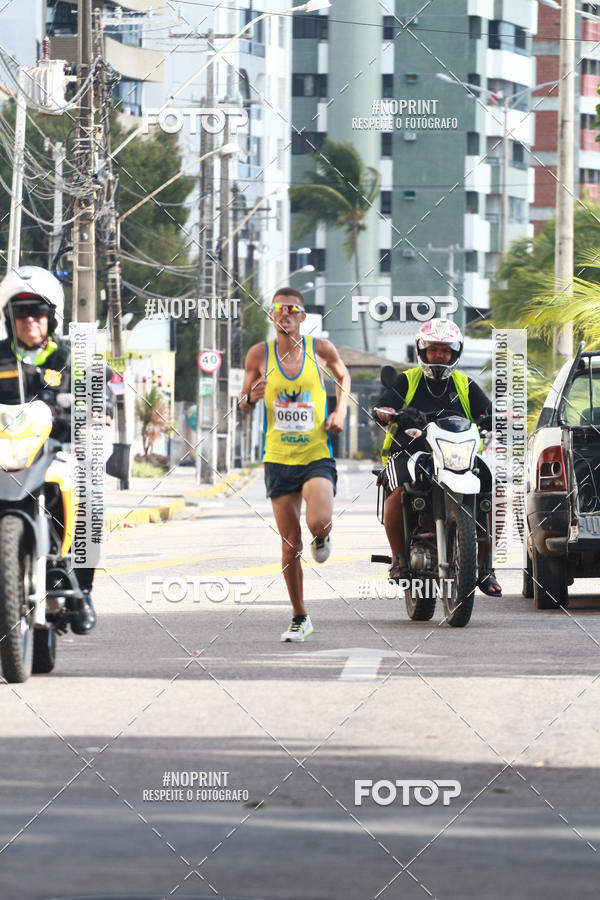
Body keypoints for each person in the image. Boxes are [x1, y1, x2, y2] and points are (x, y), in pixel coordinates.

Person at [0, 266, 114, 633]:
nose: (30, 319)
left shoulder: (70, 358)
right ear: (9, 317)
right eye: (22, 312)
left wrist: (102, 408)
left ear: (52, 316)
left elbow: (101, 387)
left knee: (91, 499)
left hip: (56, 450)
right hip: (4, 451)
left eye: (38, 311)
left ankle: (82, 588)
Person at [239, 287, 351, 642]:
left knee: (318, 521)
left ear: (303, 317)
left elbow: (344, 378)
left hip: (316, 453)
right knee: (290, 543)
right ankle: (300, 616)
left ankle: (324, 534)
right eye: (278, 310)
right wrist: (249, 398)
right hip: (277, 459)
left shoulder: (321, 350)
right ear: (271, 316)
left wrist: (339, 411)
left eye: (292, 310)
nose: (284, 315)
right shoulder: (259, 354)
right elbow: (243, 401)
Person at [373, 318, 502, 596]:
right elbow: (384, 406)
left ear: (454, 354)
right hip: (410, 452)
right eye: (433, 350)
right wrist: (386, 412)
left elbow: (488, 413)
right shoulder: (406, 380)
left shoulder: (465, 384)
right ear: (422, 352)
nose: (439, 356)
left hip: (457, 453)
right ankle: (399, 560)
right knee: (395, 492)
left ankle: (486, 567)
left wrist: (499, 418)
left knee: (492, 493)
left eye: (445, 351)